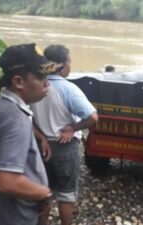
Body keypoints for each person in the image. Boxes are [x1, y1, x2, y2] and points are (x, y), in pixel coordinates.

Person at [0, 43, 59, 225]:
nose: (47, 83)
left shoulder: (0, 106)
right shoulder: (15, 118)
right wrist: (44, 194)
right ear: (18, 82)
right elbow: (7, 181)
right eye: (41, 77)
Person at [30, 44, 98, 225]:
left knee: (44, 190)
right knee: (66, 194)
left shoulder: (35, 85)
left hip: (41, 146)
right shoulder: (68, 89)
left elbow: (26, 117)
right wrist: (73, 128)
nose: (70, 66)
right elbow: (93, 117)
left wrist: (41, 136)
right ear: (61, 65)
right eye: (69, 62)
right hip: (64, 147)